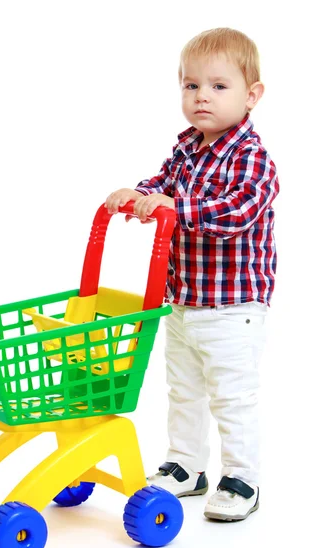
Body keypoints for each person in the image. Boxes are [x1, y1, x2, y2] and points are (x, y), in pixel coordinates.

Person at [105, 27, 279, 522]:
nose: (202, 95)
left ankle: (242, 477)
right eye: (191, 85)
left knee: (231, 394)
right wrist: (135, 195)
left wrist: (174, 206)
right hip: (182, 301)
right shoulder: (186, 149)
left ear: (252, 95)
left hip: (232, 307)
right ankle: (186, 466)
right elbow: (160, 185)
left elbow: (235, 213)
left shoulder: (253, 159)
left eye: (219, 86)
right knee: (182, 389)